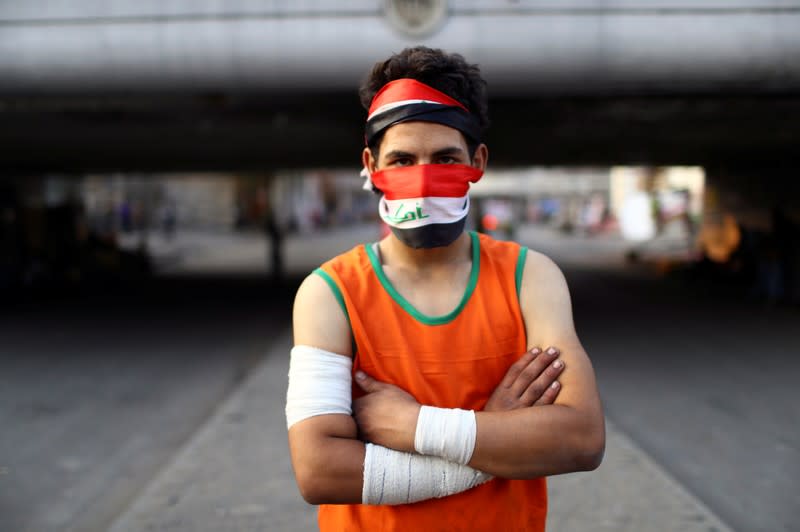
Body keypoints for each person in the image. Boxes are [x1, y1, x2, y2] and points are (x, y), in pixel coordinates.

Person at [287, 46, 605, 531]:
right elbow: (318, 472)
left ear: (477, 161)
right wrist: (490, 433)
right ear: (371, 166)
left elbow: (581, 438)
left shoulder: (529, 278)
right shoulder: (329, 293)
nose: (422, 178)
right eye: (401, 159)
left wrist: (416, 427)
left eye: (444, 157)